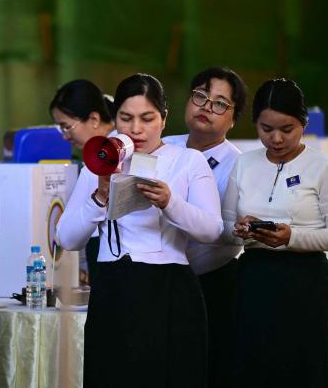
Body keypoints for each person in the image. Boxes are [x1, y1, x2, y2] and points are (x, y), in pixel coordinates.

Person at [56, 73, 223, 387]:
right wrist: (99, 198)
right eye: (126, 118)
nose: (136, 129)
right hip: (113, 287)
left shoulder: (188, 160)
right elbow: (66, 238)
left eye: (147, 118)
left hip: (169, 285)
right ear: (114, 118)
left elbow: (212, 229)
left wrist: (170, 202)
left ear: (164, 118)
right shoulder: (103, 159)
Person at [223, 78, 328, 387]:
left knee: (300, 368)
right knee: (253, 367)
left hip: (305, 281)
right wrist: (240, 229)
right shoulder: (244, 164)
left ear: (304, 123)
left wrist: (291, 237)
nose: (276, 138)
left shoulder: (323, 167)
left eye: (287, 129)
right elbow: (226, 226)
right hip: (254, 279)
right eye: (266, 129)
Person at [162, 66, 247, 387]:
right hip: (157, 282)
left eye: (220, 103)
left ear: (234, 117)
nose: (206, 107)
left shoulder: (239, 165)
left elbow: (230, 236)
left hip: (208, 285)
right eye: (200, 96)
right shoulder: (164, 147)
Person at [49, 79, 115, 284]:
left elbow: (65, 238)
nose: (65, 137)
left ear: (94, 119)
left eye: (67, 127)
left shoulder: (98, 166)